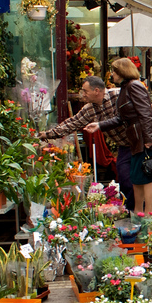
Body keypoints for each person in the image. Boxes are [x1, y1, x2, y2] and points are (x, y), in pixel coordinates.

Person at [84, 58, 152, 214]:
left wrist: (149, 140)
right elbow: (122, 118)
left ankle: (148, 212)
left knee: (148, 176)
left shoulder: (134, 86)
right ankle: (137, 211)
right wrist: (100, 125)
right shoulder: (125, 88)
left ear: (122, 72)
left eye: (114, 71)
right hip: (136, 139)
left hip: (143, 138)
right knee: (137, 178)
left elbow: (146, 114)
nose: (112, 75)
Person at [38, 76, 134, 210]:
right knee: (124, 177)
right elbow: (72, 123)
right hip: (123, 146)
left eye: (85, 91)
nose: (82, 95)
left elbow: (146, 108)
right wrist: (47, 134)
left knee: (146, 177)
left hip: (140, 142)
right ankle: (131, 210)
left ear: (96, 90)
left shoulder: (118, 95)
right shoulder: (89, 109)